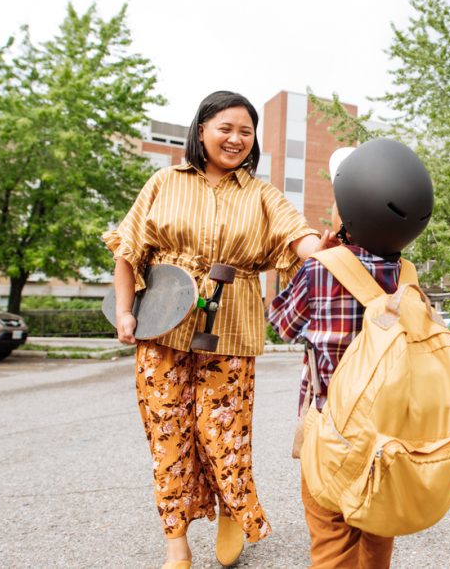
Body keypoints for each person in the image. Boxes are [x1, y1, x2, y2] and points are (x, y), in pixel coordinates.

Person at [103, 90, 332, 569]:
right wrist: (125, 312)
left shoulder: (263, 195)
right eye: (225, 128)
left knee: (223, 433)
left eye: (246, 132)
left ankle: (233, 509)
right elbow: (129, 252)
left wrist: (326, 246)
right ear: (202, 129)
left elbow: (299, 237)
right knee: (168, 434)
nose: (235, 138)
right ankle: (176, 542)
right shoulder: (164, 181)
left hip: (230, 330)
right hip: (162, 327)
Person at [268, 138, 434, 569]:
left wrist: (318, 259)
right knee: (377, 536)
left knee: (331, 541)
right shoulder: (409, 279)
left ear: (351, 211)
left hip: (333, 435)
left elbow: (281, 324)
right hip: (391, 437)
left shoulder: (321, 269)